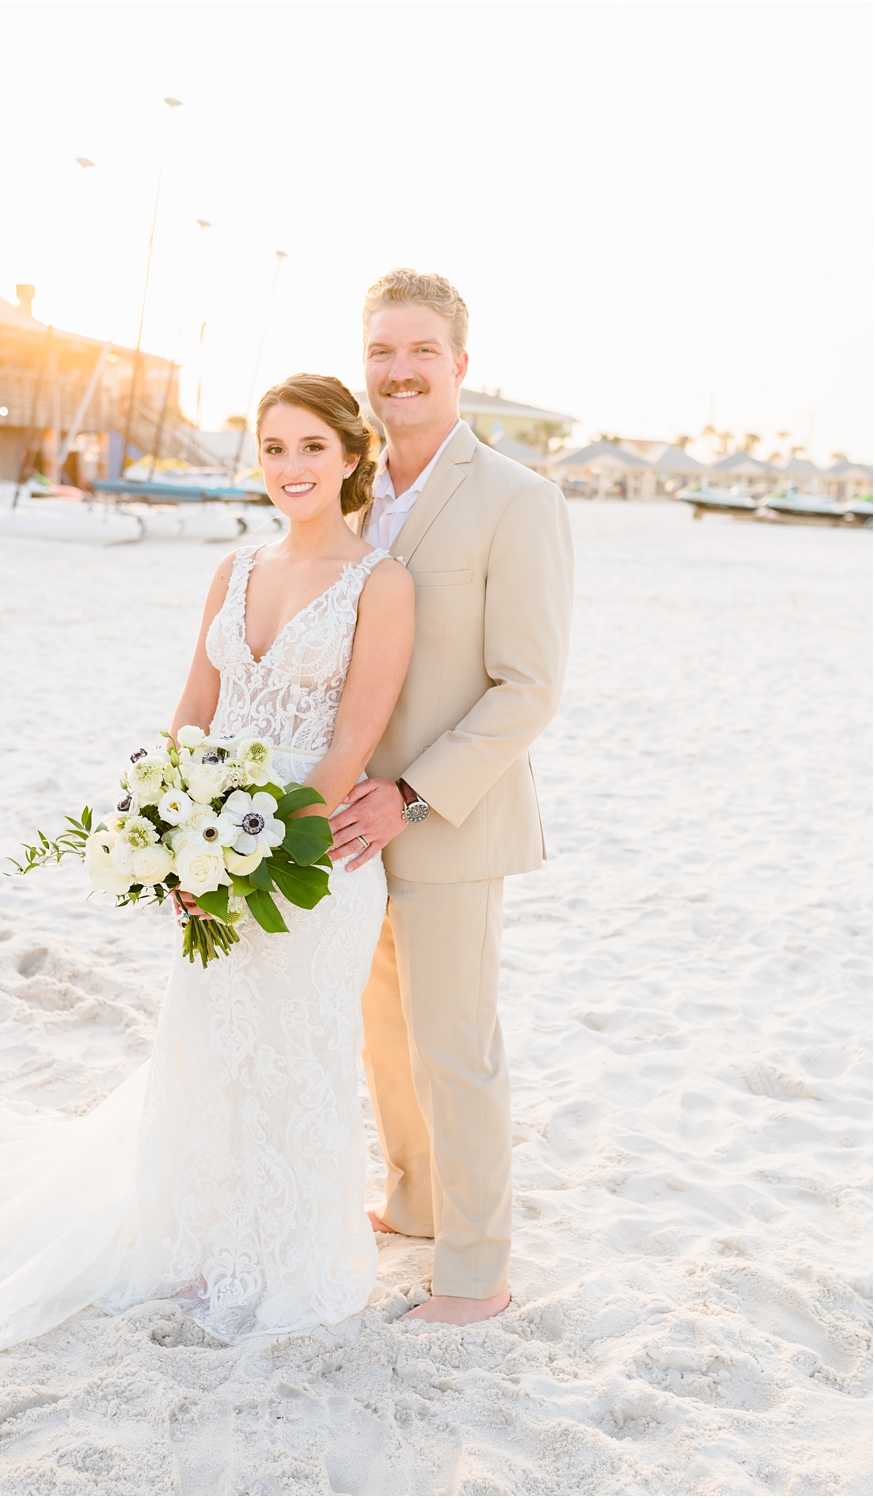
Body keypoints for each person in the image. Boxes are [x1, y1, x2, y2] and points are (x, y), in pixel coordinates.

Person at [0, 374, 414, 1410]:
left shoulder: (380, 582)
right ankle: (201, 1238)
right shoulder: (232, 566)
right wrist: (170, 839)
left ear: (351, 456)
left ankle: (288, 1258)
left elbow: (351, 743)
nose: (290, 468)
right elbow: (189, 712)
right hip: (210, 845)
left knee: (297, 1053)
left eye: (310, 447)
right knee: (210, 1044)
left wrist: (254, 852)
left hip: (316, 856)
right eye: (271, 448)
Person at [329, 269, 574, 1326]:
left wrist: (413, 795)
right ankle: (416, 1202)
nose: (398, 371)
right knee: (381, 1035)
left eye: (420, 351)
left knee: (453, 1044)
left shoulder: (520, 499)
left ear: (460, 365)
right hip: (344, 823)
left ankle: (475, 1273)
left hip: (448, 821)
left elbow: (531, 687)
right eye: (382, 352)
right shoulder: (351, 493)